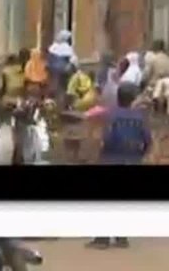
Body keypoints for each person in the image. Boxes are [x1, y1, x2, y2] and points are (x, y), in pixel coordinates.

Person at [87, 82, 149, 250]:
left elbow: (107, 137)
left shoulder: (111, 115)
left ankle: (102, 239)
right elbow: (147, 140)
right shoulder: (139, 117)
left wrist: (101, 152)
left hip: (111, 158)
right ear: (133, 99)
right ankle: (122, 238)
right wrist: (139, 156)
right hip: (132, 160)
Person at [46, 31, 75, 95]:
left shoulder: (53, 47)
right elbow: (72, 59)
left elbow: (49, 59)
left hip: (53, 71)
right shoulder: (66, 47)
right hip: (63, 72)